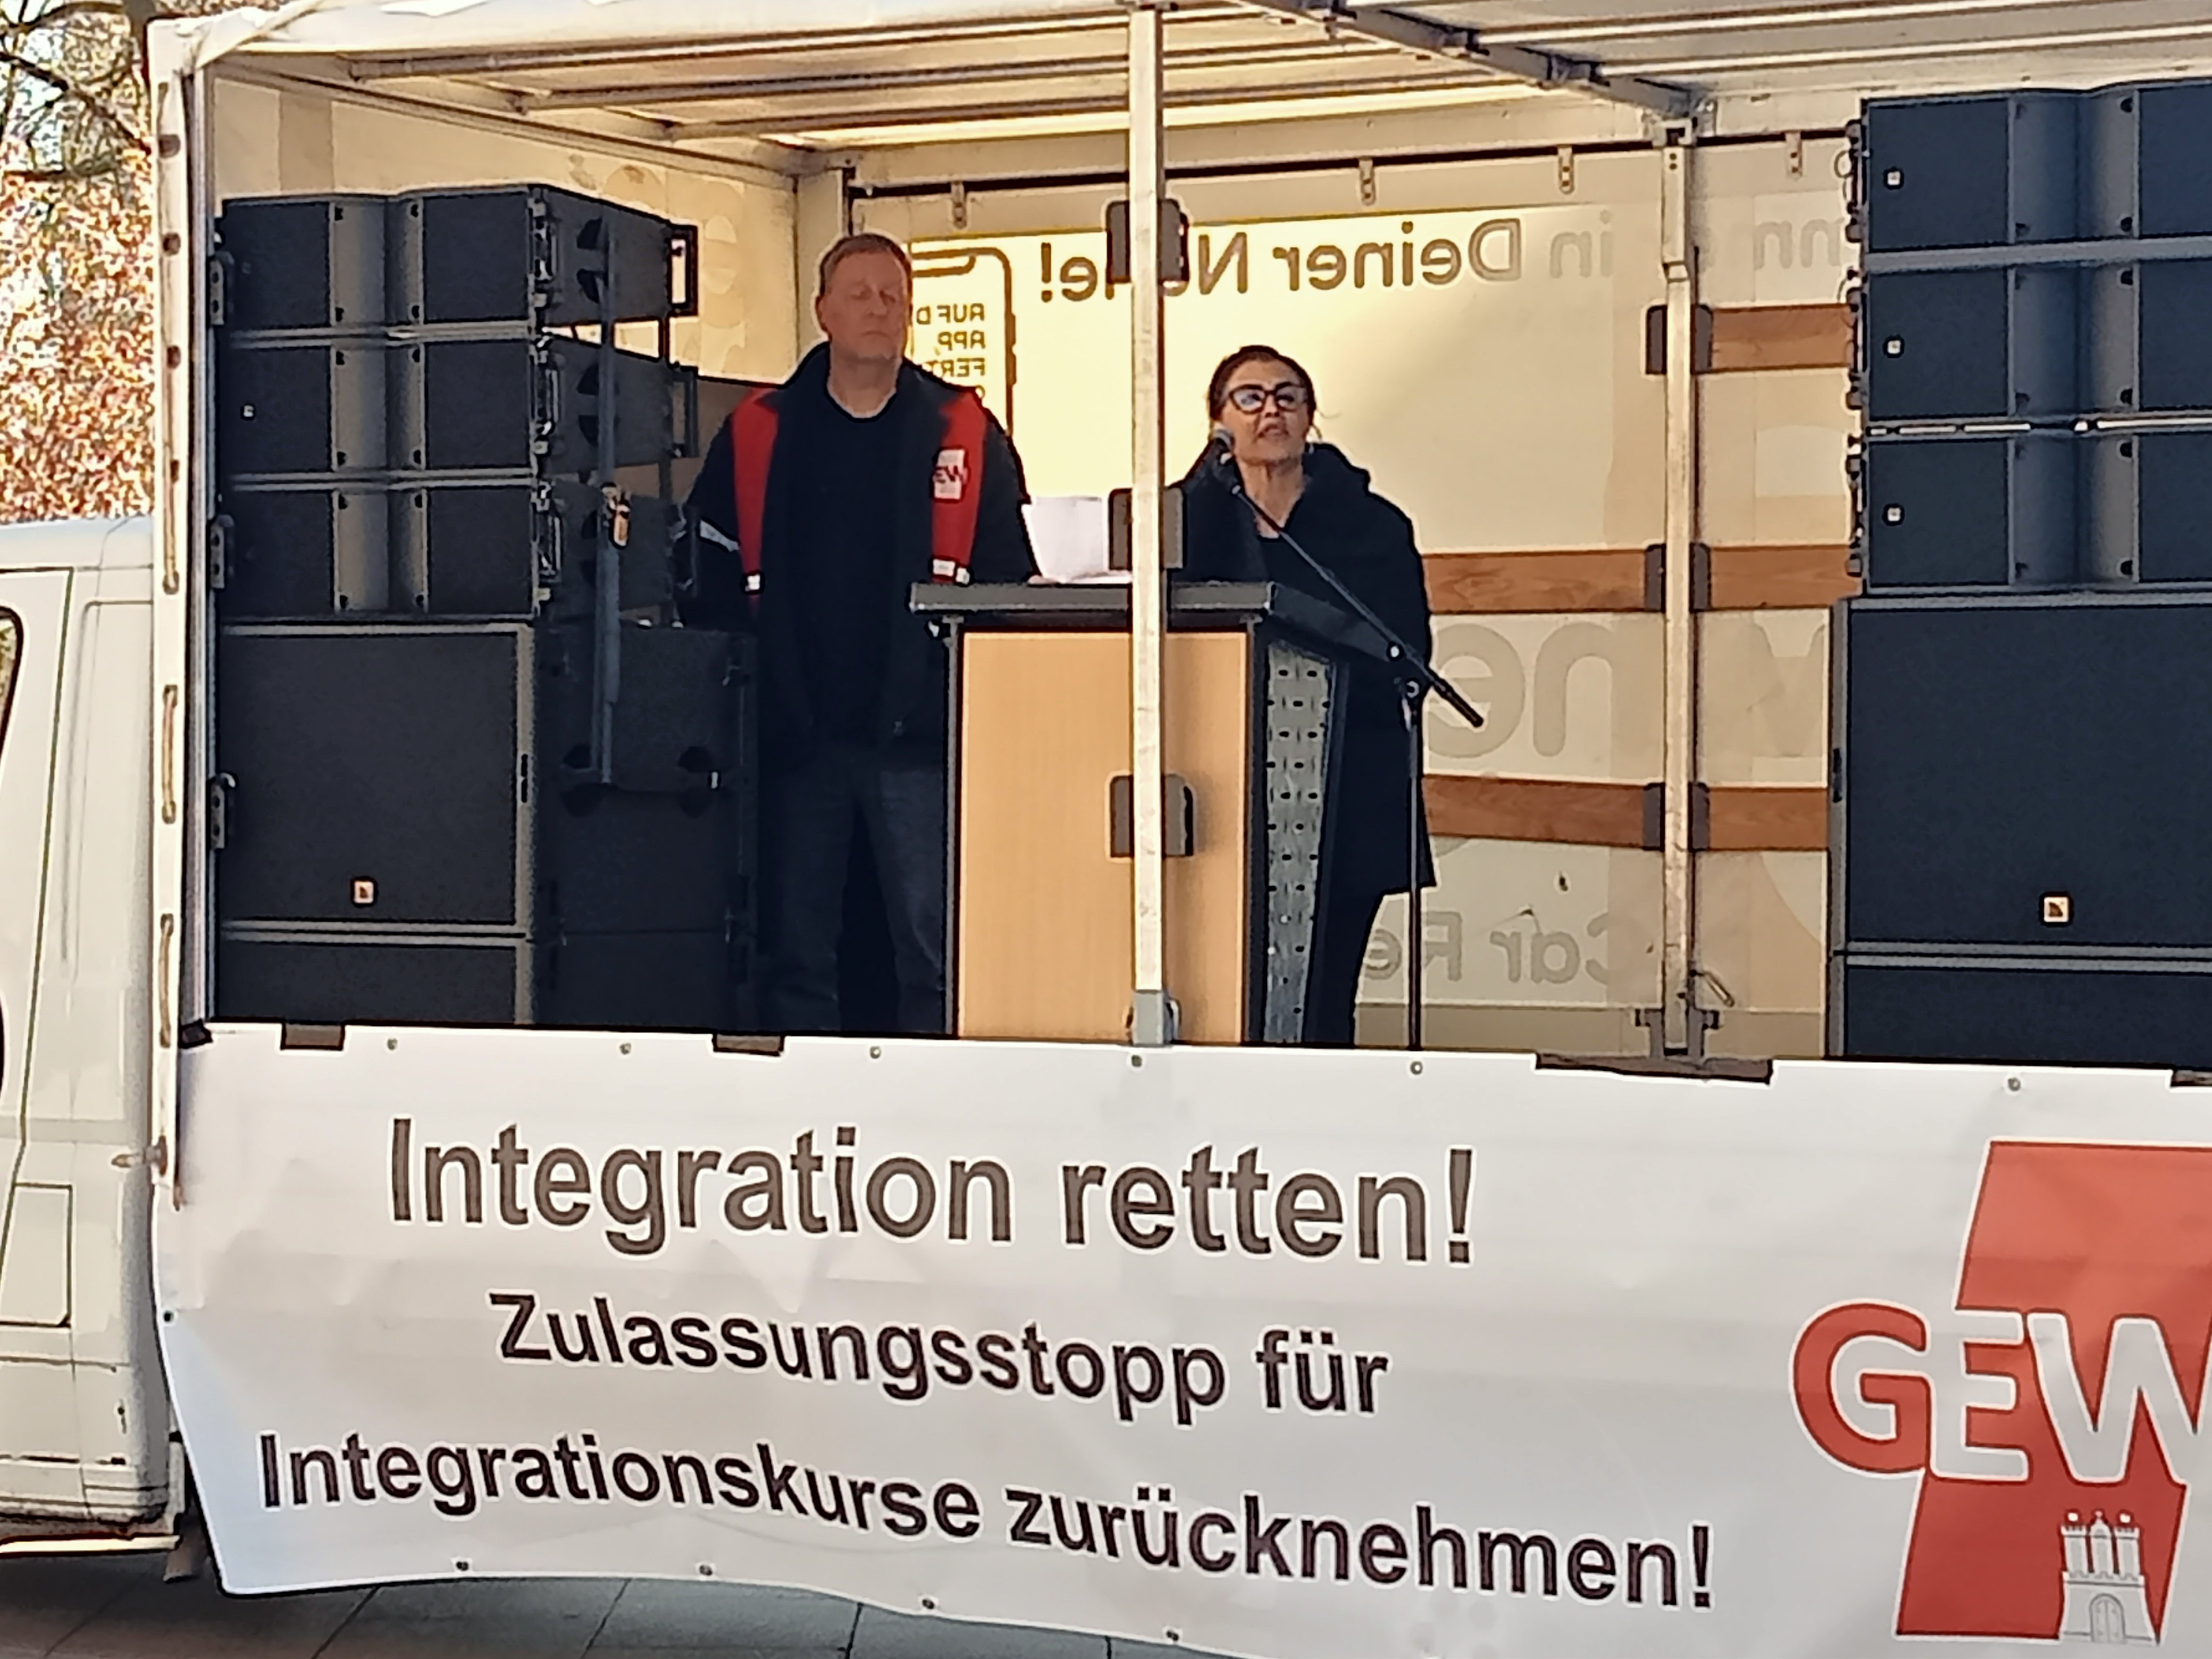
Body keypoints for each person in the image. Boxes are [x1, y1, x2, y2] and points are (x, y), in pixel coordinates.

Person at [686, 232, 1036, 1034]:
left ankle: (937, 1096)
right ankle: (806, 1104)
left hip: (920, 737)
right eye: (861, 294)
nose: (880, 309)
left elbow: (1008, 579)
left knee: (936, 951)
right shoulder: (758, 430)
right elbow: (705, 570)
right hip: (795, 736)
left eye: (893, 296)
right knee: (794, 951)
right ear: (823, 312)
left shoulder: (964, 429)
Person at [1179, 345, 1435, 1047]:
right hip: (1220, 790)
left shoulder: (1373, 526)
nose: (1272, 411)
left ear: (1310, 416)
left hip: (1346, 784)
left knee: (1324, 998)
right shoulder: (1187, 522)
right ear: (1220, 422)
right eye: (1251, 397)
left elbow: (1407, 653)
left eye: (1288, 396)